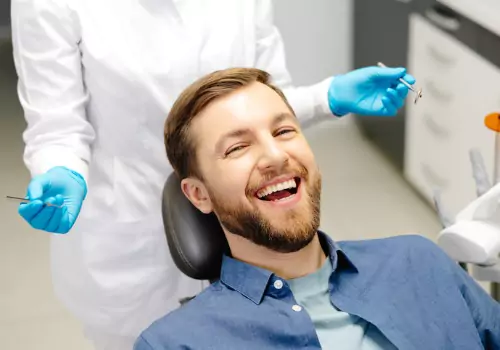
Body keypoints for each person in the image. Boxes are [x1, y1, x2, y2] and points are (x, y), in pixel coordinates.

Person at [11, 0, 415, 348]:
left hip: (242, 227)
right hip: (131, 239)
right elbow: (58, 124)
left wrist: (327, 96)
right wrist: (61, 169)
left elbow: (261, 100)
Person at [134, 67, 500, 350]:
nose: (276, 156)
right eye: (237, 148)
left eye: (284, 132)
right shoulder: (175, 344)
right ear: (199, 194)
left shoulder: (419, 260)